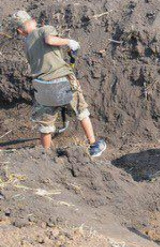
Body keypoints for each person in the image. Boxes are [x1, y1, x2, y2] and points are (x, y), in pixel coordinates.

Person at [11, 10, 107, 157]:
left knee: (45, 125)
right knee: (81, 111)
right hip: (62, 80)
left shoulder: (26, 44)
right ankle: (93, 145)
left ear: (19, 31)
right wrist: (69, 42)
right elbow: (50, 40)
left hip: (42, 85)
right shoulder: (45, 29)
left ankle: (46, 156)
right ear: (34, 21)